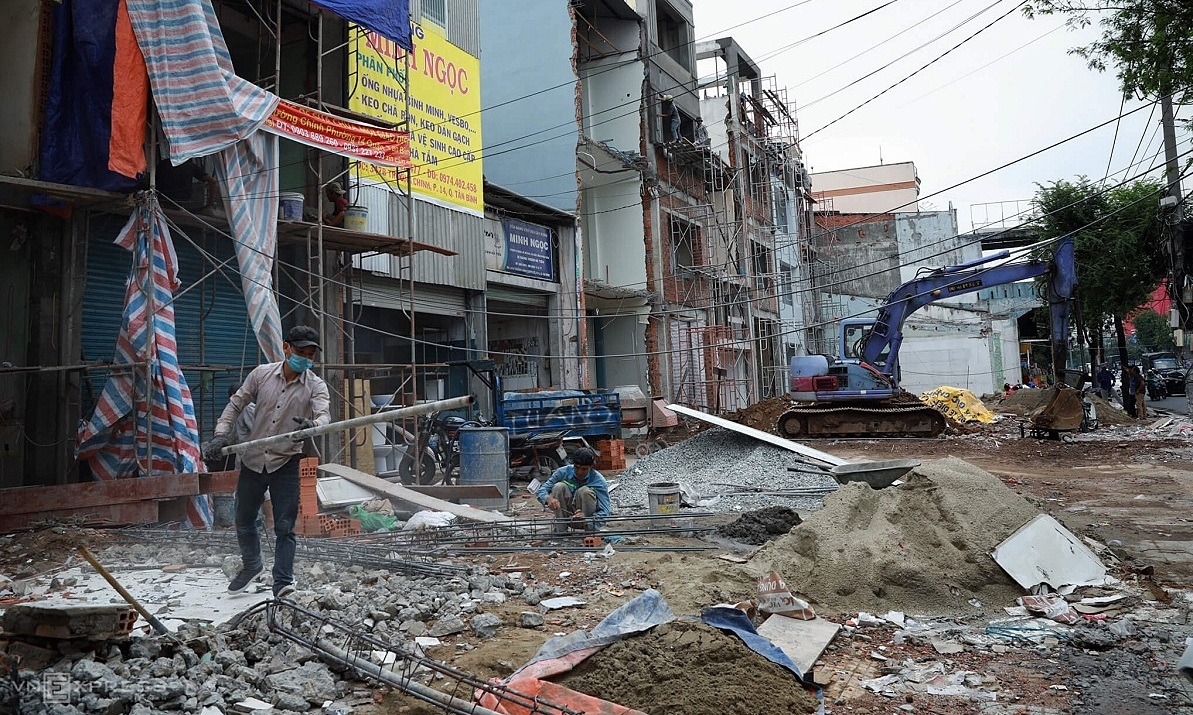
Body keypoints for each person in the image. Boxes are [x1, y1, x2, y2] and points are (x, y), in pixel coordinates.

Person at [202, 326, 330, 597]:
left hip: (286, 461)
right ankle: (252, 565)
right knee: (244, 519)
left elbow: (323, 416)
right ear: (286, 348)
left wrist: (313, 425)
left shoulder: (315, 385)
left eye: (310, 355)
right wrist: (221, 435)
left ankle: (283, 580)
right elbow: (236, 405)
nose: (305, 359)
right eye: (300, 352)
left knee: (284, 525)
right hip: (253, 460)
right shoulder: (261, 375)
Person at [536, 447, 611, 533]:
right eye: (576, 467)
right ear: (573, 464)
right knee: (558, 486)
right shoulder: (563, 472)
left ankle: (590, 531)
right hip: (567, 515)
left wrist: (588, 520)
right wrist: (548, 498)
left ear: (591, 467)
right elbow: (542, 490)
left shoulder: (599, 480)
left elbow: (605, 511)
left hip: (587, 520)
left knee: (585, 491)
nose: (579, 472)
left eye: (584, 469)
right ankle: (561, 530)